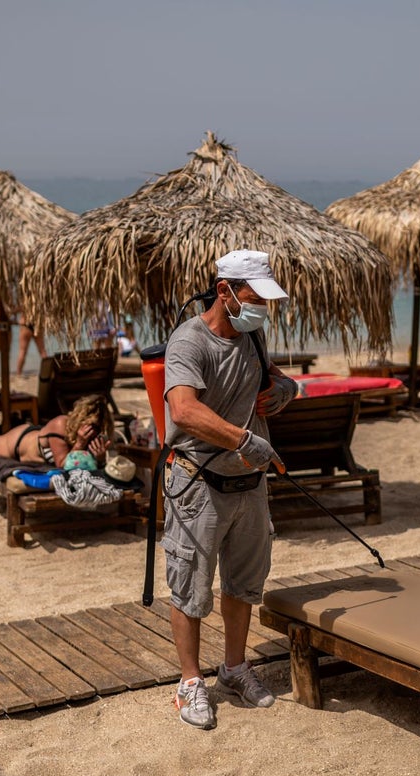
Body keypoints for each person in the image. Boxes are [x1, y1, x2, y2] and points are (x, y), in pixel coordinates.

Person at [161, 249, 299, 730]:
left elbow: (279, 380)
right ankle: (189, 682)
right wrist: (246, 440)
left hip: (250, 485)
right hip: (198, 485)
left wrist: (286, 390)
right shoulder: (189, 342)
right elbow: (183, 410)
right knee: (190, 586)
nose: (263, 307)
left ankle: (235, 668)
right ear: (225, 291)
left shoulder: (253, 335)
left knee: (243, 583)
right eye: (254, 297)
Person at [0, 394, 112, 473]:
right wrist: (80, 444)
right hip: (20, 442)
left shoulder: (92, 436)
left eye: (98, 428)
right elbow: (62, 464)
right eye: (92, 425)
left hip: (34, 436)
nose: (94, 431)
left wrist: (100, 458)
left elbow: (87, 465)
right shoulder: (61, 424)